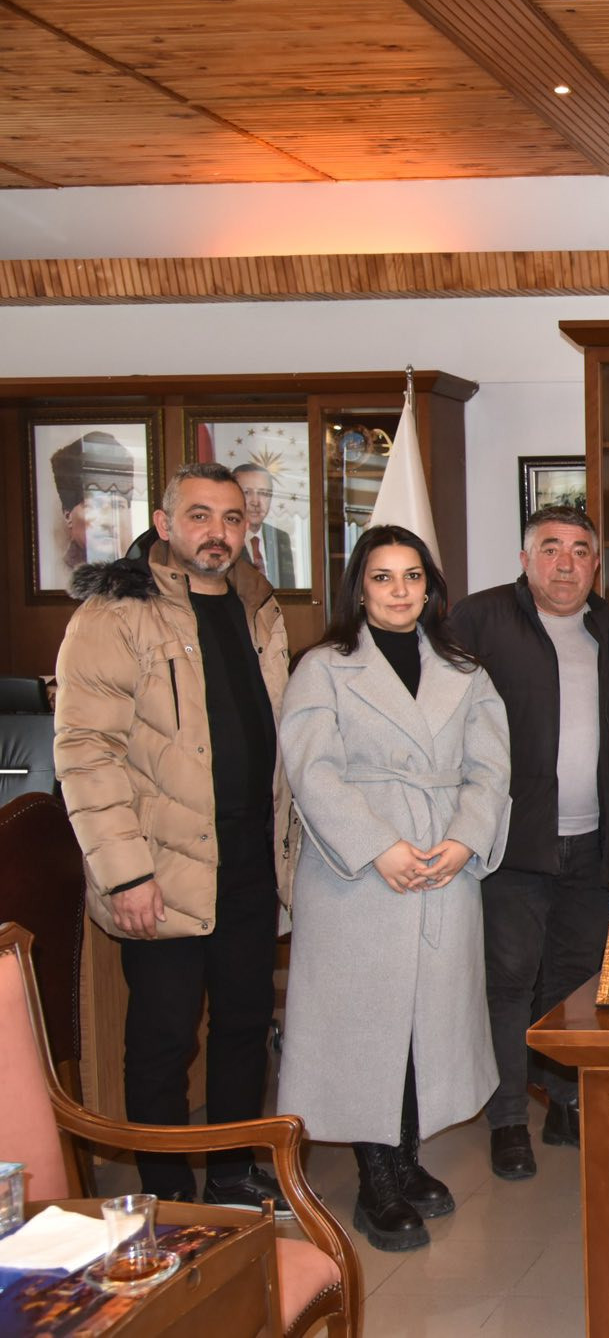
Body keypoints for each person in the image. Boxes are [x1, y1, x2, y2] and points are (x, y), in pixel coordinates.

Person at [53, 462, 293, 1212]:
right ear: (163, 524)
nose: (217, 533)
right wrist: (125, 875)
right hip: (159, 869)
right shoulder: (115, 614)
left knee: (245, 1024)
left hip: (250, 861)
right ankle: (164, 1193)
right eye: (199, 516)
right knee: (163, 1038)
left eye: (231, 518)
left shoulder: (260, 607)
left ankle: (230, 1174)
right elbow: (85, 752)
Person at [277, 525, 512, 1253]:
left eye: (413, 576)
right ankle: (375, 1176)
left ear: (431, 588)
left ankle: (407, 1158)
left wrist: (464, 840)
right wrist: (378, 847)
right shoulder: (322, 668)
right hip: (357, 871)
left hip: (443, 863)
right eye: (382, 577)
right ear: (359, 588)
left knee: (425, 1024)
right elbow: (312, 771)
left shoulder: (465, 670)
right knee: (364, 1024)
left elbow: (492, 768)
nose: (400, 590)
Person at [450, 505, 609, 1181]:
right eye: (551, 548)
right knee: (508, 982)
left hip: (596, 843)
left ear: (596, 564)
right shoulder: (479, 621)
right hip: (513, 844)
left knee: (577, 983)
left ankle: (565, 1101)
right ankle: (507, 1119)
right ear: (525, 559)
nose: (566, 564)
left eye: (580, 551)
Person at [49, 429, 141, 586]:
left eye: (118, 506)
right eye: (93, 506)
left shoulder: (136, 573)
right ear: (68, 515)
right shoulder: (60, 573)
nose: (108, 521)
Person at [231, 463, 296, 589]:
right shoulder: (225, 537)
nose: (256, 502)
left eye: (264, 493)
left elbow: (288, 589)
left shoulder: (280, 537)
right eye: (247, 492)